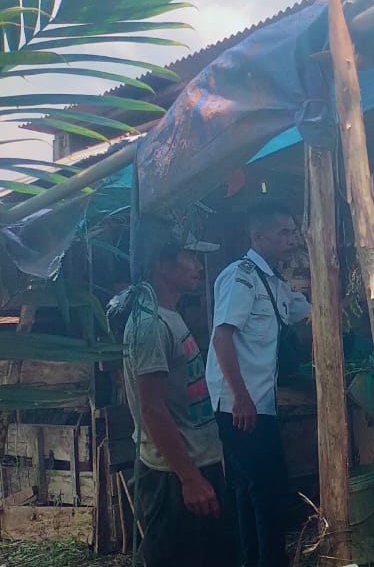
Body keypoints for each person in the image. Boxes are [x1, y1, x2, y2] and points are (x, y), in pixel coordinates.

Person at [121, 232, 236, 567]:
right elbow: (152, 409)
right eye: (191, 257)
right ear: (161, 265)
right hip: (172, 477)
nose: (199, 266)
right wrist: (190, 479)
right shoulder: (150, 325)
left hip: (194, 466)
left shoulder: (168, 315)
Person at [206, 202, 310, 567]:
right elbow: (223, 338)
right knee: (269, 491)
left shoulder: (275, 284)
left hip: (259, 403)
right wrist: (241, 397)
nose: (292, 239)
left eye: (294, 231)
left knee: (252, 491)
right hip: (240, 404)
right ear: (258, 236)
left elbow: (315, 313)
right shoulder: (241, 276)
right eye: (283, 231)